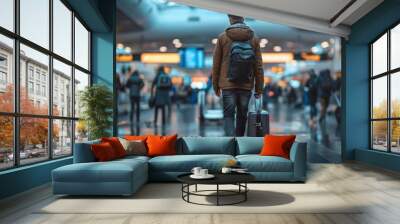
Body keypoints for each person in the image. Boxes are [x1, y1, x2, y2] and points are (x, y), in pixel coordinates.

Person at [212, 14, 264, 136]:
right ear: (243, 18)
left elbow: (216, 64)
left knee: (229, 116)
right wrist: (259, 88)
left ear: (230, 19)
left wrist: (216, 86)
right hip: (246, 84)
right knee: (242, 115)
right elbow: (258, 66)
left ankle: (230, 144)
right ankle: (239, 141)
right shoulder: (253, 38)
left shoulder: (223, 37)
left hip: (227, 84)